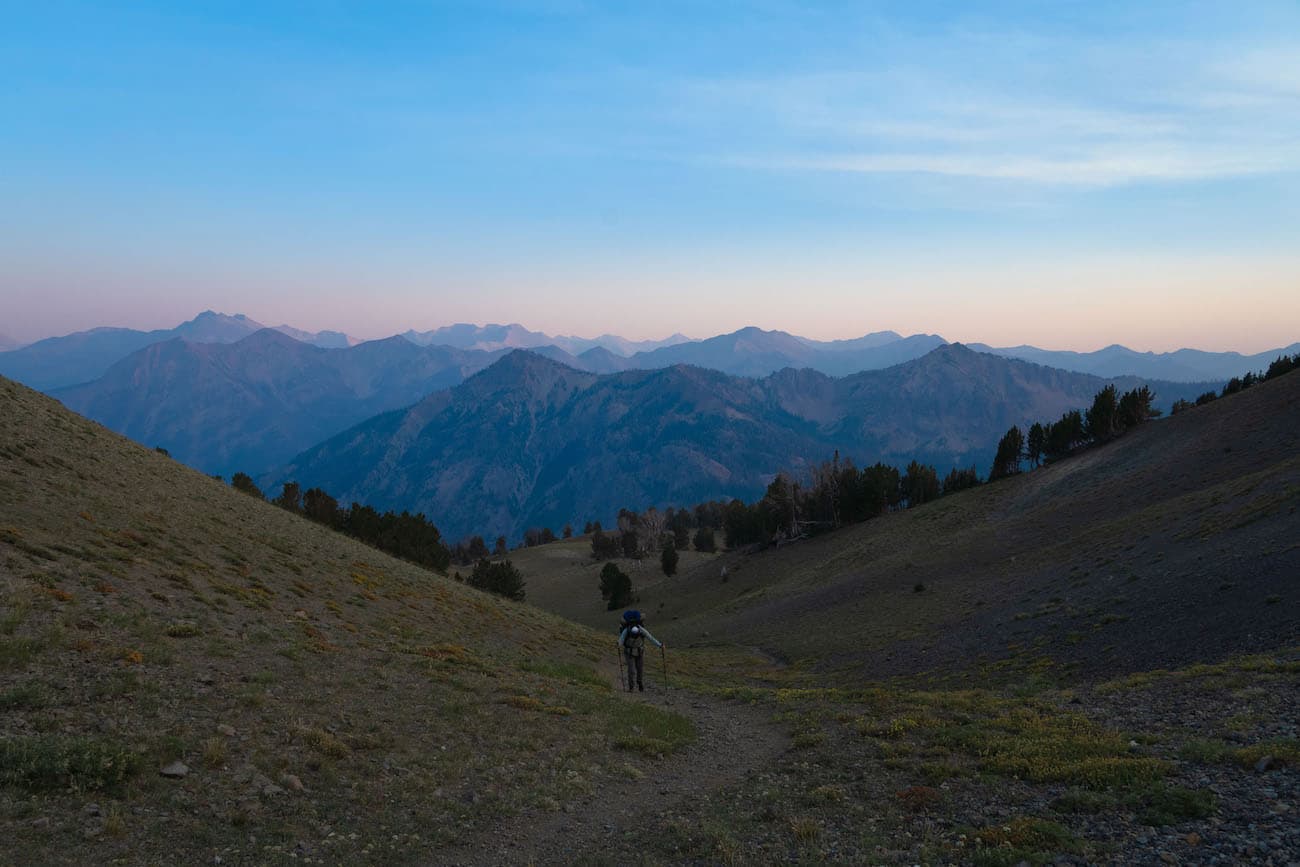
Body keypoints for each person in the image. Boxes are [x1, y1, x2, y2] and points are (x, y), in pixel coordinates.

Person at [618, 611, 663, 693]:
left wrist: (660, 645)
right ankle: (632, 686)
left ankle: (639, 683)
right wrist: (660, 645)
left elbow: (650, 638)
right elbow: (650, 638)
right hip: (632, 652)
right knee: (632, 670)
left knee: (639, 669)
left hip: (636, 651)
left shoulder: (630, 630)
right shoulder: (632, 630)